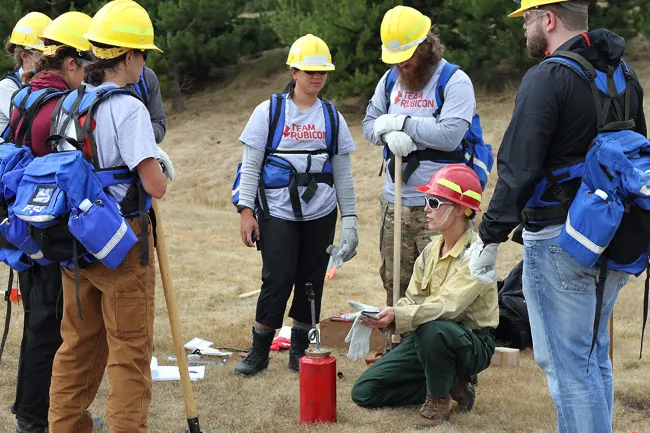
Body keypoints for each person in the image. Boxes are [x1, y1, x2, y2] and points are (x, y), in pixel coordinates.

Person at [470, 1, 647, 432]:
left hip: (559, 240)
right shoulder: (623, 74)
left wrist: (488, 238)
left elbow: (519, 166)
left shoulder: (548, 78)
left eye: (528, 18)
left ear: (548, 19)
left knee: (572, 370)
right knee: (591, 356)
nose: (525, 28)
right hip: (612, 235)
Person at [46, 1, 172, 431]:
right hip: (122, 240)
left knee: (76, 344)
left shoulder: (70, 101)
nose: (143, 64)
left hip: (75, 236)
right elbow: (154, 185)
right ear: (129, 55)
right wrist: (161, 166)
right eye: (143, 55)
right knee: (130, 350)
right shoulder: (129, 107)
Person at [234, 34, 358, 376]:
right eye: (309, 71)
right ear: (294, 72)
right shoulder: (269, 112)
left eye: (322, 72)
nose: (316, 78)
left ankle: (300, 353)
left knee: (311, 280)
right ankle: (258, 352)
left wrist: (350, 221)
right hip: (277, 212)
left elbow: (344, 174)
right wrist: (247, 212)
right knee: (277, 278)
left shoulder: (332, 118)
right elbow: (250, 166)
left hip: (321, 213)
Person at [350, 164, 497, 428]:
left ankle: (439, 399)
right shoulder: (431, 250)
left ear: (460, 209)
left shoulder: (478, 255)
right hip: (430, 340)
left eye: (433, 201)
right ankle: (450, 385)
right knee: (364, 392)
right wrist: (383, 314)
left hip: (471, 342)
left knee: (433, 328)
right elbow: (413, 298)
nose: (425, 208)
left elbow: (448, 307)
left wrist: (400, 314)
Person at [5, 13, 93, 433]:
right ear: (70, 63)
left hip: (24, 224)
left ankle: (32, 410)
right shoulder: (63, 106)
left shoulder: (23, 96)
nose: (89, 73)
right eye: (86, 64)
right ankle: (36, 417)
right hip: (51, 227)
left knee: (40, 320)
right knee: (53, 325)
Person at [362, 5, 477, 306]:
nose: (401, 64)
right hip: (396, 202)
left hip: (445, 207)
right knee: (395, 282)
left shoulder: (454, 81)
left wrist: (403, 124)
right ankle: (395, 347)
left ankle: (437, 351)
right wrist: (386, 134)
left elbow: (450, 133)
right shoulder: (389, 80)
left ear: (426, 47)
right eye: (395, 59)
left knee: (441, 285)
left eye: (407, 56)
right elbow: (369, 124)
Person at [0, 12, 51, 132]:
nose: (51, 60)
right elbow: (36, 126)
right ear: (24, 56)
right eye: (44, 55)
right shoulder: (6, 88)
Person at [126, 66, 166, 143]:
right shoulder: (98, 81)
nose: (145, 60)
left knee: (163, 155)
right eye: (143, 55)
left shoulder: (147, 76)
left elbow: (159, 122)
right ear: (129, 57)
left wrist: (141, 135)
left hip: (142, 148)